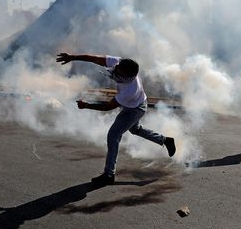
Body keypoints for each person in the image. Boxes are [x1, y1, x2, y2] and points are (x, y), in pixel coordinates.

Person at [56, 52, 176, 187]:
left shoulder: (130, 90)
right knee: (135, 129)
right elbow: (95, 58)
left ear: (127, 77)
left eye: (119, 72)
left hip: (135, 109)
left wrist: (86, 105)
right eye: (117, 68)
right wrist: (72, 57)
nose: (115, 71)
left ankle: (109, 174)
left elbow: (108, 107)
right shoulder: (119, 63)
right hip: (138, 103)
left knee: (113, 135)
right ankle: (165, 140)